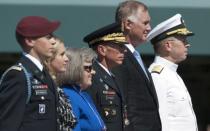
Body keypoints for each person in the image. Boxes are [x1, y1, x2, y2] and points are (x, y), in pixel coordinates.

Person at [0, 16, 60, 131]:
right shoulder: (18, 75)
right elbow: (8, 124)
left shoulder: (43, 73)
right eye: (48, 37)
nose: (53, 41)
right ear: (29, 41)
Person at [112, 1, 161, 131]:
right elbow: (126, 104)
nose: (149, 28)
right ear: (128, 24)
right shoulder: (119, 57)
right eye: (145, 23)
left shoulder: (134, 55)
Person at [147, 14, 198, 131]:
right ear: (168, 45)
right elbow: (160, 119)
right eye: (183, 40)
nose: (187, 44)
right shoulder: (157, 76)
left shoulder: (172, 74)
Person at [83, 22, 127, 131]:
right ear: (102, 50)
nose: (124, 50)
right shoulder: (91, 77)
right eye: (120, 46)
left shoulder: (115, 76)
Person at [57, 47, 106, 131]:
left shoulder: (84, 94)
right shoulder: (67, 95)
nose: (93, 72)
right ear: (74, 68)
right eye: (88, 68)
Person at [44, 37, 77, 131]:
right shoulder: (44, 87)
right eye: (62, 54)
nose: (66, 59)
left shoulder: (56, 87)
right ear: (49, 58)